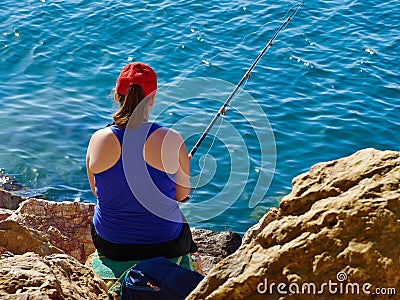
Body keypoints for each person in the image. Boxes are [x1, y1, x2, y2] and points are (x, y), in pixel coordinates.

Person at [86, 62, 198, 261]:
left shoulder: (97, 140)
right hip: (165, 244)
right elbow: (181, 195)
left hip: (111, 244)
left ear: (116, 96)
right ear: (152, 99)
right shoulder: (171, 139)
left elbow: (97, 191)